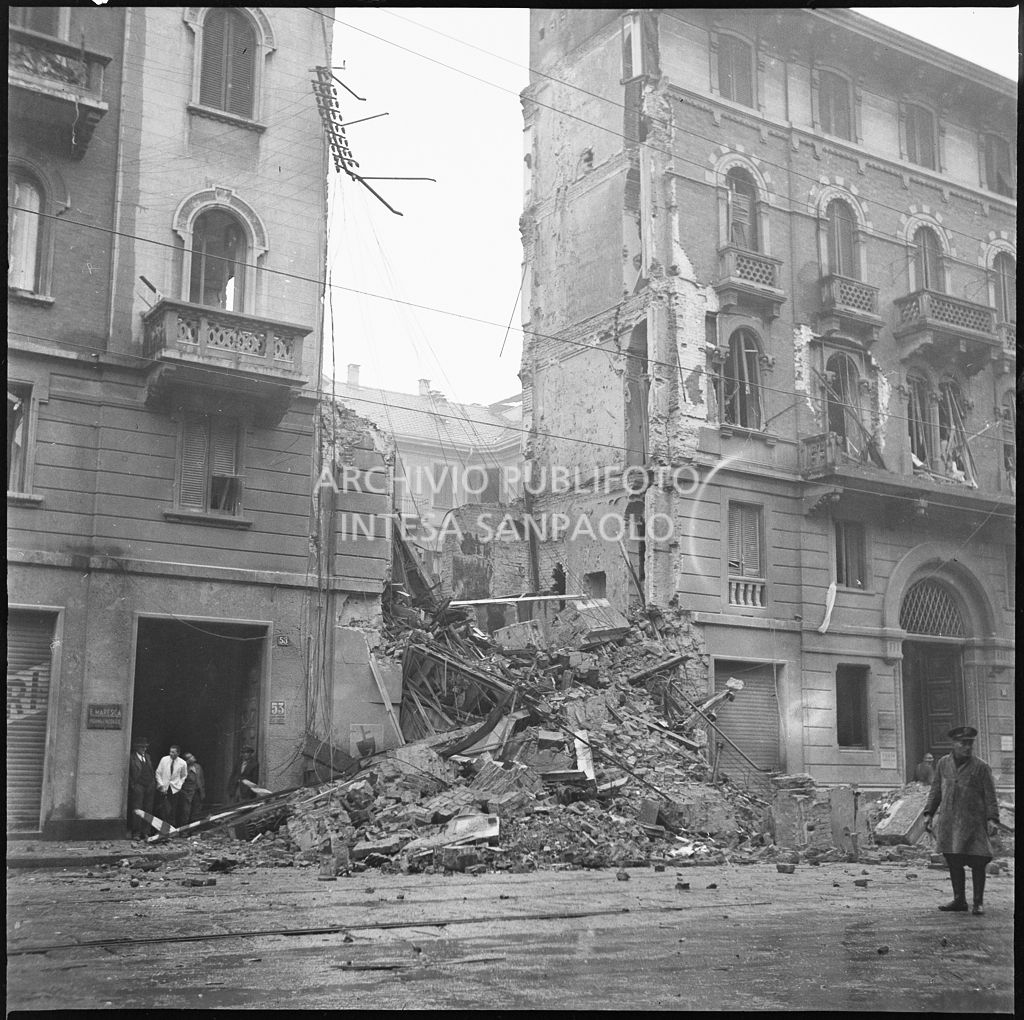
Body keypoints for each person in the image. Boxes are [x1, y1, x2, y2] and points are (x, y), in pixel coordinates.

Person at [923, 726, 1001, 916]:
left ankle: (978, 902)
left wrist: (992, 819)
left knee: (978, 860)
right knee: (953, 859)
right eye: (963, 743)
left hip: (974, 823)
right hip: (950, 822)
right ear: (954, 744)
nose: (967, 747)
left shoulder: (981, 767)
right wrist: (928, 813)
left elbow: (990, 795)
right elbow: (936, 791)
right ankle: (959, 900)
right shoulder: (943, 764)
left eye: (970, 743)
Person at [127, 737, 157, 840]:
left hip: (149, 786)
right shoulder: (132, 758)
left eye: (145, 747)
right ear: (137, 748)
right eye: (142, 747)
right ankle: (136, 833)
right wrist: (133, 786)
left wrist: (153, 783)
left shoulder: (148, 757)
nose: (144, 749)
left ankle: (146, 832)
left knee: (148, 810)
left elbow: (151, 771)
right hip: (138, 786)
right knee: (137, 810)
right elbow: (129, 773)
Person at [155, 744, 188, 826]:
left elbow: (184, 776)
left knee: (172, 809)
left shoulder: (182, 763)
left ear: (178, 753)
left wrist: (179, 785)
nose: (171, 754)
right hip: (163, 787)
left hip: (174, 788)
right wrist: (161, 785)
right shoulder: (164, 759)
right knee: (162, 809)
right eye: (170, 752)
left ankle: (171, 828)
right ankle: (161, 827)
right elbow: (158, 773)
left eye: (173, 752)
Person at [180, 752, 206, 824]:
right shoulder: (183, 768)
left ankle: (195, 827)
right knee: (186, 811)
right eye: (190, 757)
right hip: (187, 792)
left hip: (197, 792)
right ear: (187, 761)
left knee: (197, 811)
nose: (193, 757)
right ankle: (184, 828)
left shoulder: (198, 767)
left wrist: (202, 792)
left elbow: (202, 779)